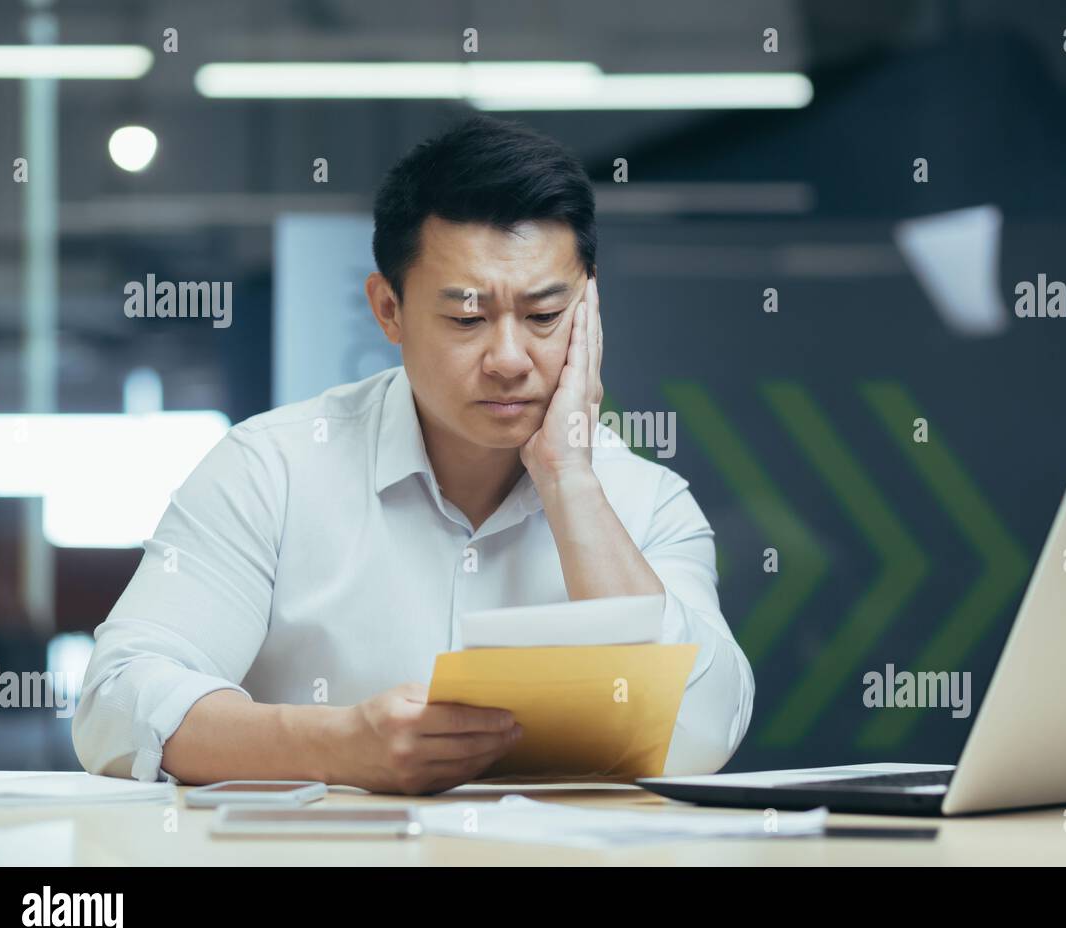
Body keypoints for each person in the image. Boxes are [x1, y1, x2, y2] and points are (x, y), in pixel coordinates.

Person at [73, 115, 754, 794]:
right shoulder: (271, 471)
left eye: (545, 316)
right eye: (466, 318)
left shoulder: (647, 503)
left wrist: (569, 480)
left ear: (589, 307)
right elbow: (116, 701)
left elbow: (702, 731)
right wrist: (337, 746)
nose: (511, 359)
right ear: (388, 310)